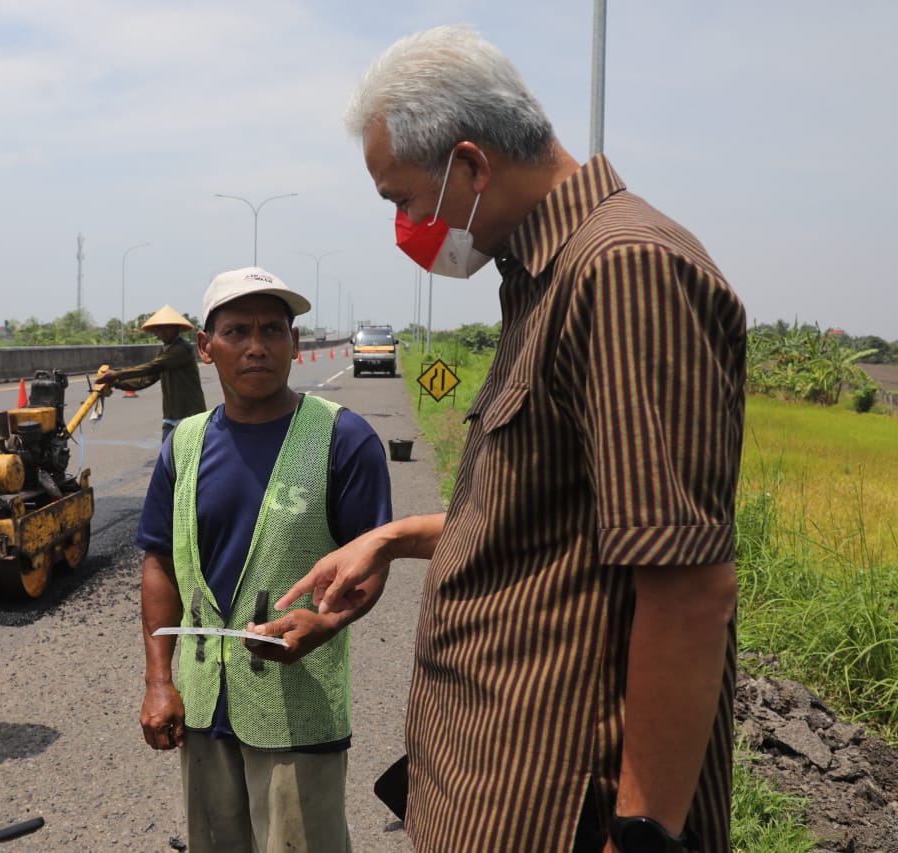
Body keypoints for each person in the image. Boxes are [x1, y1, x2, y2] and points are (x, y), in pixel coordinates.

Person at [260, 25, 746, 853]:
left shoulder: (622, 268)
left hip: (557, 806)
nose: (406, 225)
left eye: (403, 199)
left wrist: (640, 837)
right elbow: (554, 520)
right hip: (492, 783)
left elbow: (687, 587)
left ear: (472, 166)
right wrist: (391, 537)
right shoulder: (539, 279)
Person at [137, 267, 393, 852]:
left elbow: (373, 560)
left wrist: (327, 622)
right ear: (206, 348)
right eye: (237, 331)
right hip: (204, 705)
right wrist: (159, 680)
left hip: (297, 707)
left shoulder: (343, 438)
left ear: (295, 344)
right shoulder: (184, 444)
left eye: (273, 330)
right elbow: (159, 561)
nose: (257, 346)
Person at [97, 305, 207, 442]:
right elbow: (146, 379)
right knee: (167, 460)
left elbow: (153, 367)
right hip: (171, 417)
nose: (163, 331)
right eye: (160, 328)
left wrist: (117, 374)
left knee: (188, 460)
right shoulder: (164, 351)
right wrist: (117, 384)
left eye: (168, 327)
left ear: (177, 329)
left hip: (191, 416)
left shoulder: (182, 349)